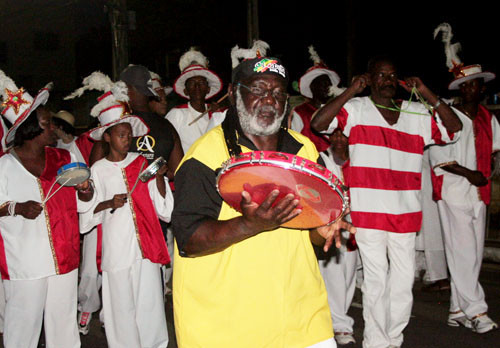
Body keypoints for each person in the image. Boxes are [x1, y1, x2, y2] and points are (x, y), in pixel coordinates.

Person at [171, 43, 355, 348]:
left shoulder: (304, 151)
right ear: (233, 94)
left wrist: (322, 231)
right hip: (227, 326)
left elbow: (312, 231)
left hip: (302, 318)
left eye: (278, 92)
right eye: (257, 89)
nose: (269, 99)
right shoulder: (205, 156)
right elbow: (188, 239)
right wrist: (250, 224)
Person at [311, 56, 462, 348]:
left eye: (392, 75)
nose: (388, 80)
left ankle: (394, 337)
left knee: (403, 284)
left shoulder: (417, 113)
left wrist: (427, 92)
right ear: (370, 78)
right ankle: (376, 341)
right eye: (381, 75)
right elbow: (319, 123)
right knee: (376, 281)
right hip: (368, 213)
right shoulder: (355, 109)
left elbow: (454, 129)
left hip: (406, 213)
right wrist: (350, 91)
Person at [0, 71, 95, 348]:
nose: (53, 128)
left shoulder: (64, 157)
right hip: (25, 262)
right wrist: (16, 208)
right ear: (30, 129)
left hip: (64, 255)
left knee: (63, 325)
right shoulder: (5, 166)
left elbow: (82, 199)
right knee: (23, 323)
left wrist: (86, 190)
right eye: (47, 123)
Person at [78, 82, 173, 348]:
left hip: (146, 247)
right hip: (116, 249)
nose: (127, 139)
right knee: (120, 310)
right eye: (121, 134)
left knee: (150, 307)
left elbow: (164, 209)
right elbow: (86, 216)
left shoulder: (142, 163)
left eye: (129, 134)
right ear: (107, 137)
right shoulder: (97, 170)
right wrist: (108, 202)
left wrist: (161, 178)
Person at [429, 60, 499, 333]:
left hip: (479, 194)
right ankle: (477, 311)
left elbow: (494, 151)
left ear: (482, 88)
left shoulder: (488, 117)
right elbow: (438, 157)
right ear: (460, 88)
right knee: (463, 253)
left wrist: (486, 172)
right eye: (465, 84)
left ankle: (457, 308)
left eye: (475, 84)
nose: (470, 88)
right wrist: (470, 173)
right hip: (453, 191)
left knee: (473, 255)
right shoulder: (447, 115)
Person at [51, 109, 102, 334]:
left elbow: (86, 179)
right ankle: (78, 308)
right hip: (64, 212)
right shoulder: (51, 149)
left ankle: (90, 310)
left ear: (62, 127)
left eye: (54, 125)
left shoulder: (76, 148)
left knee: (94, 265)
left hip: (88, 206)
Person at [318, 128, 359, 346]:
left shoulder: (358, 159)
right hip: (329, 222)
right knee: (332, 275)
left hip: (354, 223)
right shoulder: (322, 159)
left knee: (349, 274)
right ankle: (341, 325)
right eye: (334, 135)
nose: (338, 140)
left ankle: (340, 317)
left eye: (343, 135)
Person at [166, 47, 225, 153]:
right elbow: (166, 145)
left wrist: (217, 115)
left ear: (208, 89)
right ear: (185, 91)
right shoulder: (177, 114)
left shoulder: (217, 113)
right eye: (192, 83)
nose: (197, 87)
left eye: (201, 83)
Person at [290, 46, 342, 152]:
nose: (326, 86)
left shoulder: (337, 110)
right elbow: (294, 143)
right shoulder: (300, 112)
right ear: (312, 87)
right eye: (322, 83)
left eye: (328, 83)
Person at [414, 148, 449, 292]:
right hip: (420, 181)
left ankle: (439, 277)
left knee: (432, 229)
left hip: (429, 182)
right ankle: (421, 268)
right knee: (421, 230)